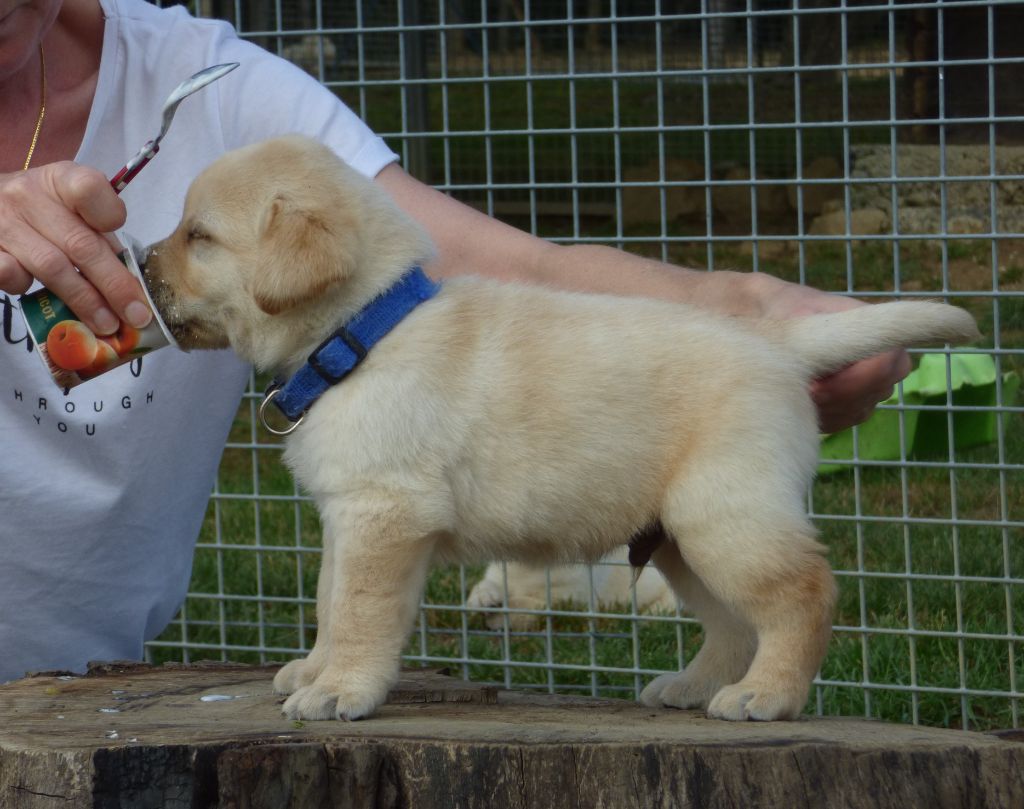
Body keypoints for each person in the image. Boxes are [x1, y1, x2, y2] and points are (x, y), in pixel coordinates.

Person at [0, 0, 909, 684]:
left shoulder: (204, 82)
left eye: (197, 239)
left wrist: (754, 304)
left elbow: (509, 265)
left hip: (80, 666)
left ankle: (762, 651)